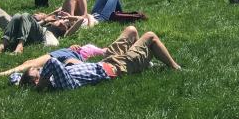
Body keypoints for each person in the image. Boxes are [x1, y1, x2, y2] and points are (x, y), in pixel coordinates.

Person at [22, 26, 181, 90]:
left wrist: (71, 63)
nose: (40, 68)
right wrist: (39, 87)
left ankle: (143, 63)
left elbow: (16, 77)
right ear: (37, 80)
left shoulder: (58, 77)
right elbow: (51, 62)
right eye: (38, 71)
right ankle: (176, 69)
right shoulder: (62, 84)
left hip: (106, 61)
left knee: (131, 30)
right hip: (118, 68)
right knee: (151, 36)